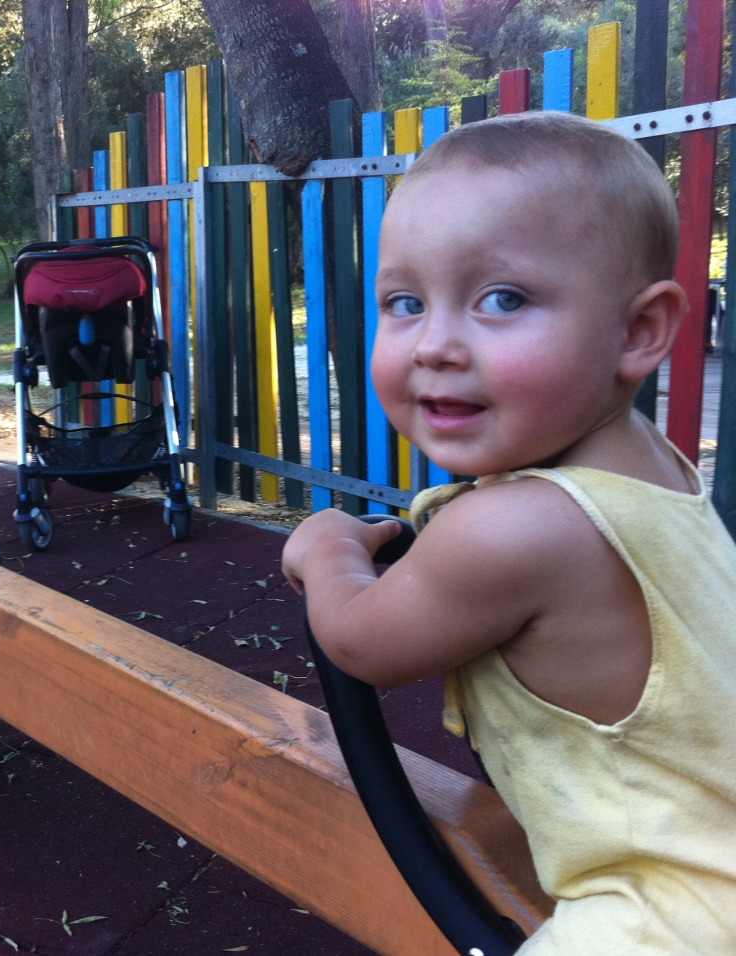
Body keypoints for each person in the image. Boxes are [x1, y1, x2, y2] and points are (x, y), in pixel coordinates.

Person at [281, 111, 736, 953]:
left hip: (672, 916)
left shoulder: (515, 530)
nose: (436, 345)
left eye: (503, 299)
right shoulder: (656, 469)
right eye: (405, 303)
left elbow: (362, 643)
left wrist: (329, 548)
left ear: (639, 332)